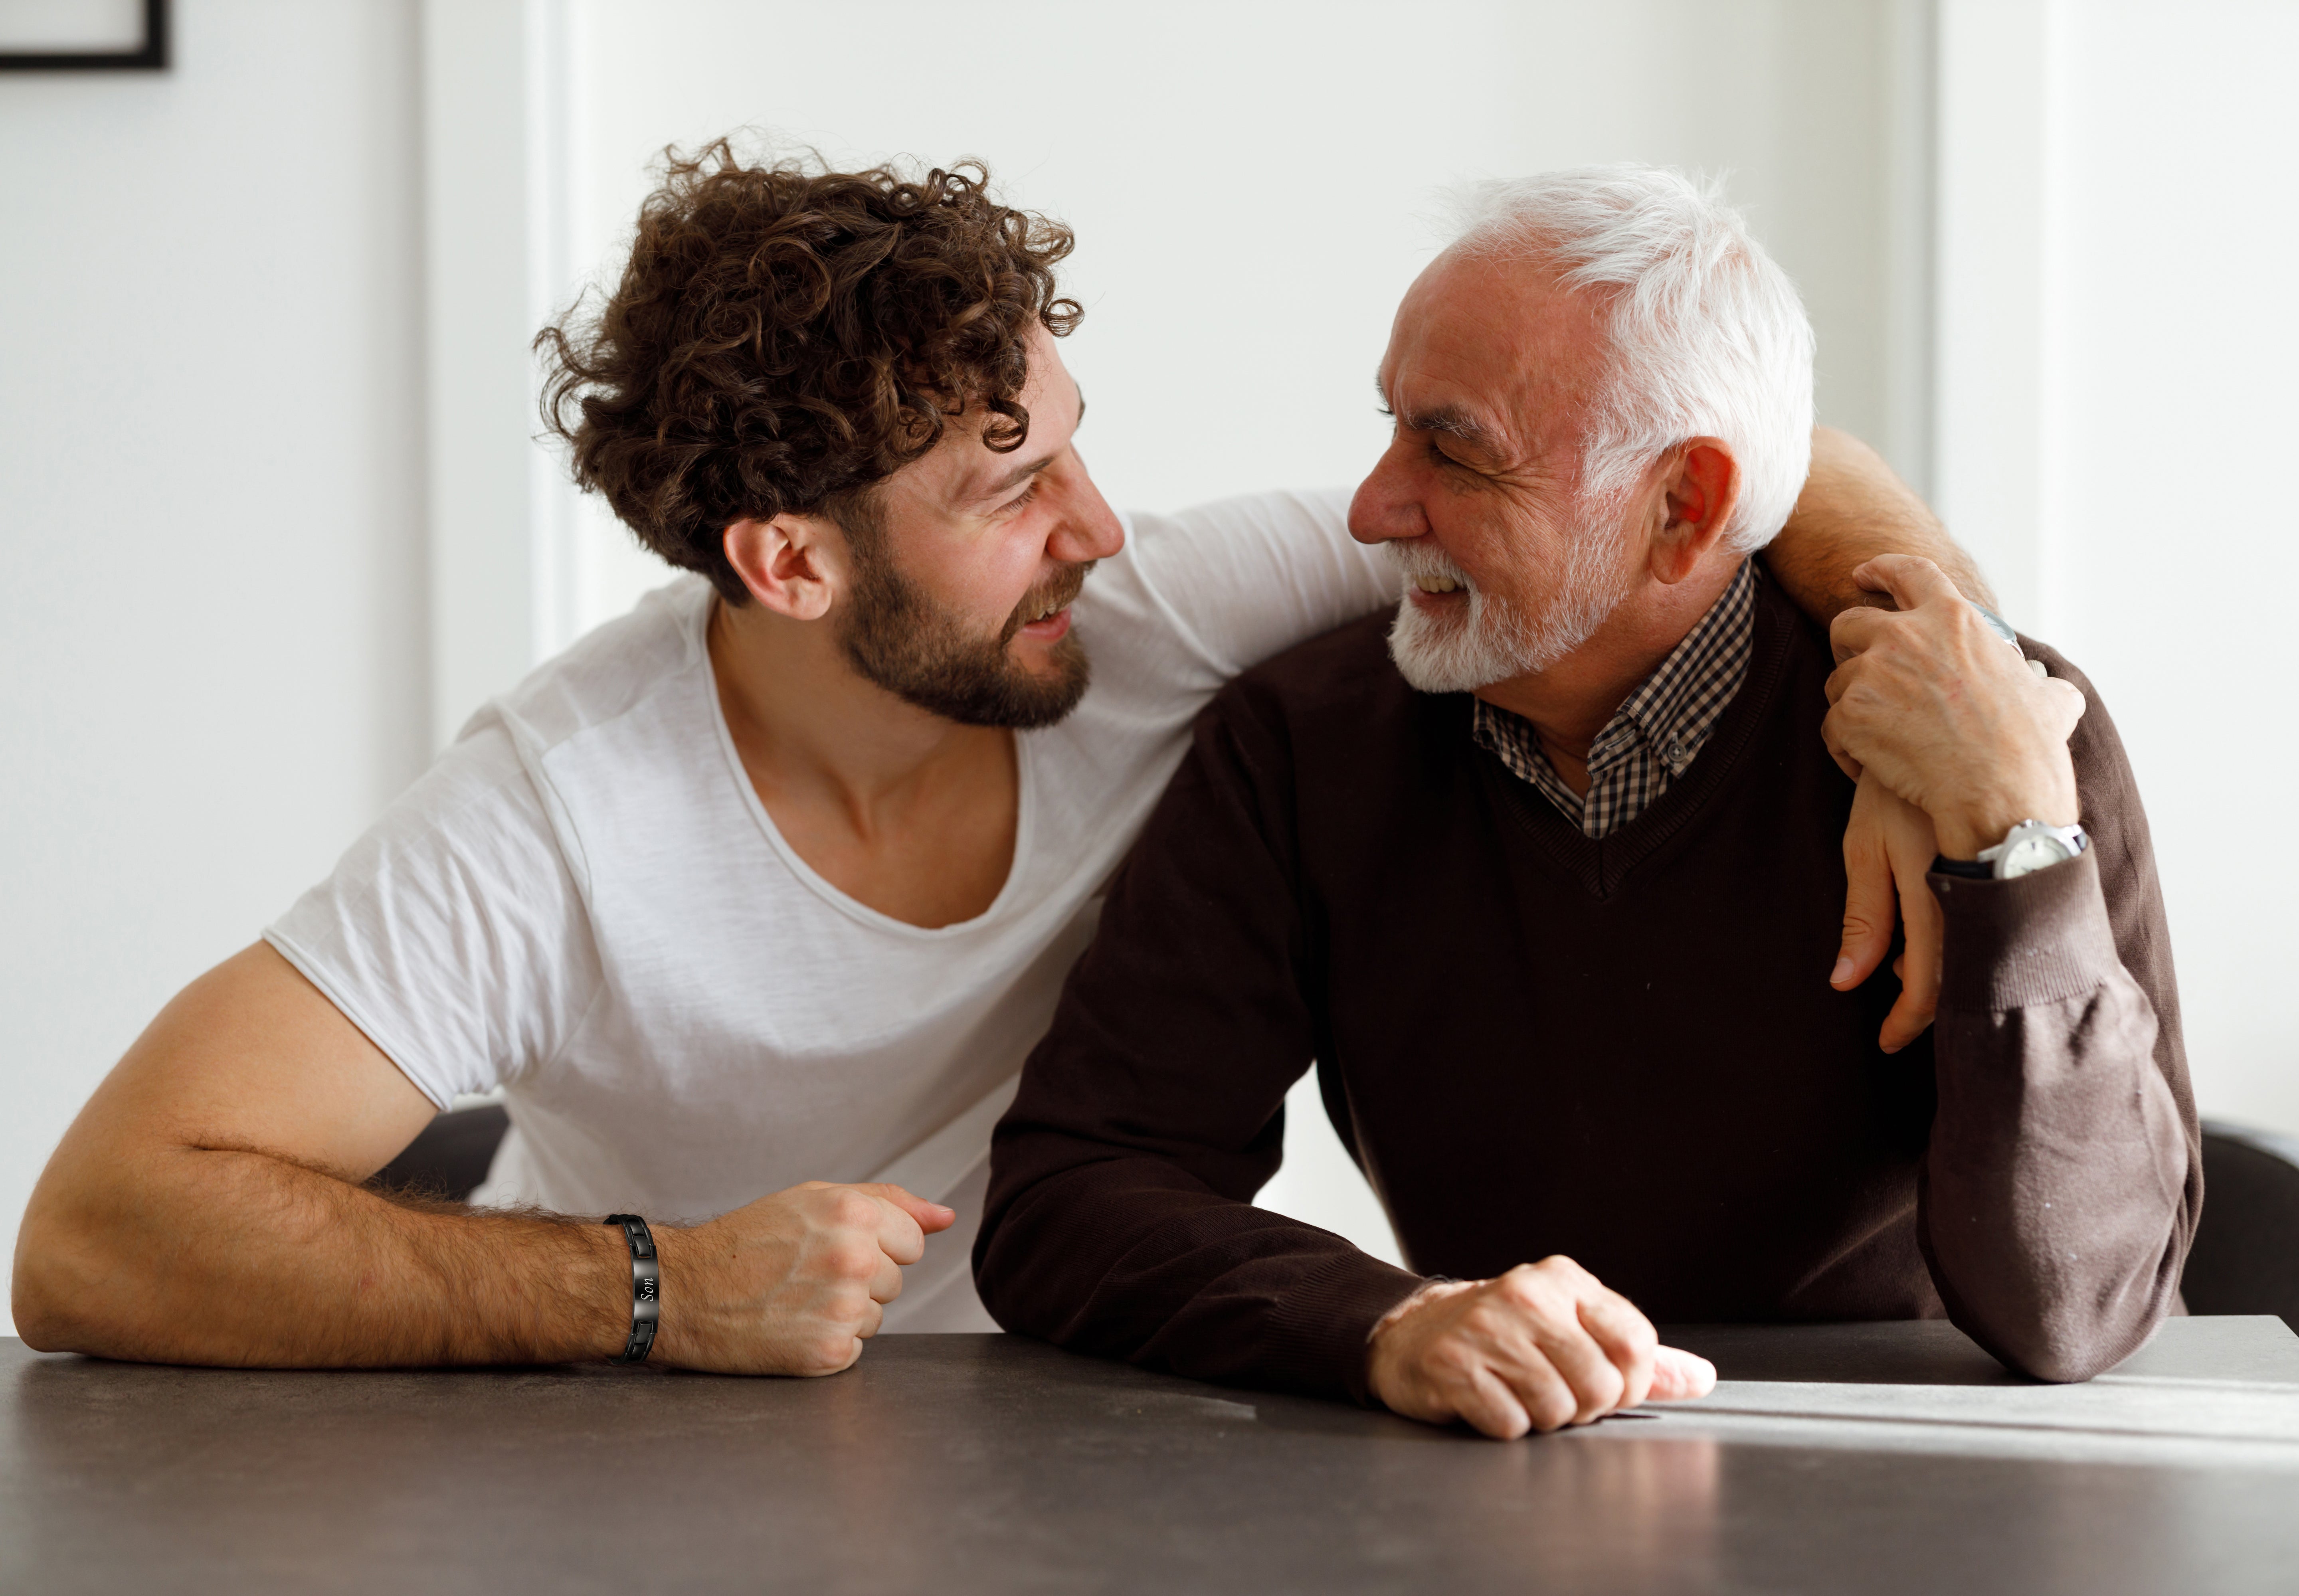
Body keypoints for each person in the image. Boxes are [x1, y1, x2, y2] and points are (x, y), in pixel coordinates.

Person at [14, 146, 1986, 1376]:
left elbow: (1717, 483)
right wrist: (650, 1291)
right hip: (662, 1465)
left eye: (1073, 437)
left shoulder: (1150, 617)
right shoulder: (555, 815)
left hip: (1101, 1408)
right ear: (790, 563)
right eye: (1011, 482)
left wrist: (1932, 689)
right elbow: (97, 1224)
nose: (1102, 526)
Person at [973, 165, 2196, 1438]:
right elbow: (1076, 1188)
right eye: (1390, 427)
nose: (1373, 508)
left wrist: (2015, 852)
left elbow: (2080, 1312)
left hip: (1909, 1481)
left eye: (1454, 451)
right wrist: (1384, 1322)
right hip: (1498, 1476)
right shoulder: (1301, 747)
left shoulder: (2002, 740)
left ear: (1686, 507)